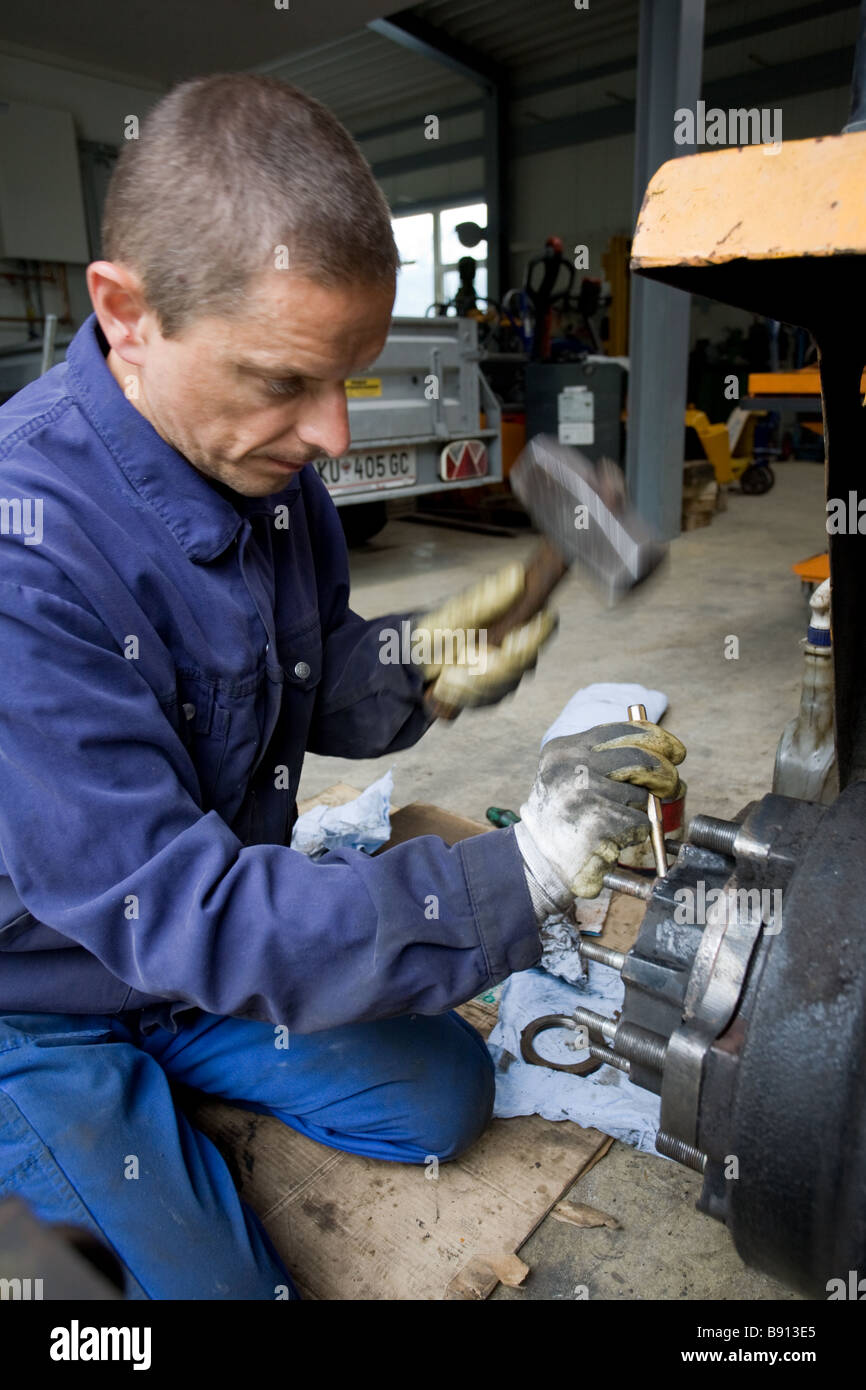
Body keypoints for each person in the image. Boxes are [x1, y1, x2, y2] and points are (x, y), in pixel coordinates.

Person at [0, 74, 684, 1299]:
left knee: (439, 1094)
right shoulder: (24, 557)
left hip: (182, 966)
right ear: (125, 314)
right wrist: (525, 868)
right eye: (284, 381)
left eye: (348, 377)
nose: (331, 435)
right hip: (35, 995)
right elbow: (182, 907)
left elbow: (307, 679)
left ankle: (160, 1096)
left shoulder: (268, 475)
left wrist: (436, 654)